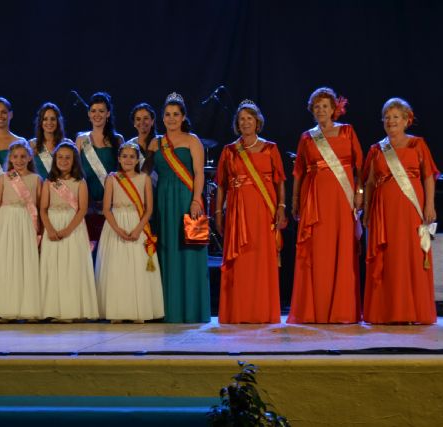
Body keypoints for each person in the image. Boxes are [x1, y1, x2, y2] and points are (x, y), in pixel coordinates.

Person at [288, 87, 363, 324]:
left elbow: (361, 167)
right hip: (315, 201)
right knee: (317, 253)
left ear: (334, 109)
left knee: (342, 251)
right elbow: (298, 173)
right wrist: (295, 200)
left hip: (342, 199)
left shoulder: (347, 131)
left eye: (325, 106)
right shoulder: (307, 137)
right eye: (317, 106)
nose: (321, 110)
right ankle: (314, 310)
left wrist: (360, 194)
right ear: (312, 110)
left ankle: (342, 311)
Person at [363, 98, 439, 324]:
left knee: (409, 256)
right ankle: (385, 312)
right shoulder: (377, 149)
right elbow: (368, 183)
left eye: (396, 117)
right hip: (383, 211)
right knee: (388, 258)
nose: (391, 121)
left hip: (410, 210)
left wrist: (429, 205)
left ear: (407, 121)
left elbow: (428, 176)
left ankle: (410, 311)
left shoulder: (418, 144)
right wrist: (366, 211)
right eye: (387, 117)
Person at [215, 100, 287, 323]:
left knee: (262, 260)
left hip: (263, 211)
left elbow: (280, 182)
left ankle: (262, 311)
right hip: (237, 212)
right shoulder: (229, 151)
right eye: (241, 119)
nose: (245, 122)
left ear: (257, 122)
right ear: (237, 123)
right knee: (242, 263)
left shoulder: (270, 148)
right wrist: (218, 213)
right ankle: (239, 312)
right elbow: (221, 185)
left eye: (249, 118)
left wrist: (282, 207)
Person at [147, 92, 210, 323]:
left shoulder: (193, 140)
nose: (171, 118)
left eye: (176, 114)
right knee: (166, 250)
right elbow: (144, 173)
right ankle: (167, 309)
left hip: (186, 199)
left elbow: (199, 173)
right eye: (167, 114)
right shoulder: (156, 143)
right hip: (163, 200)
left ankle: (192, 309)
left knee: (189, 251)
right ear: (162, 118)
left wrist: (196, 200)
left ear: (183, 117)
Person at [95, 142, 164, 323]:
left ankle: (138, 311)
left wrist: (138, 229)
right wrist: (117, 229)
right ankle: (116, 312)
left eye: (132, 156)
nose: (128, 160)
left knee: (137, 268)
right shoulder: (112, 179)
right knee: (117, 268)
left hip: (137, 225)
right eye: (124, 156)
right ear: (118, 158)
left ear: (138, 159)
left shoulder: (144, 178)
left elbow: (149, 209)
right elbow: (106, 208)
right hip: (116, 225)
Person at [39, 142, 99, 322]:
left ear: (74, 161)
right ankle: (53, 309)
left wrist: (67, 230)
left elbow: (82, 209)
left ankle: (72, 310)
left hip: (73, 228)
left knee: (72, 266)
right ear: (54, 159)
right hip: (52, 227)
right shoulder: (49, 182)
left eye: (68, 157)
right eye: (60, 157)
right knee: (53, 267)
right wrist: (49, 229)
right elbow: (43, 208)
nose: (63, 161)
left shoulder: (80, 182)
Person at [0, 141, 42, 321]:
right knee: (7, 261)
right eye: (15, 156)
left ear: (29, 158)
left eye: (23, 156)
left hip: (27, 222)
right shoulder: (3, 178)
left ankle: (29, 308)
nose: (19, 160)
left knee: (26, 262)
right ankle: (6, 308)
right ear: (10, 158)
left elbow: (39, 207)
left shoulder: (36, 179)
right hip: (8, 221)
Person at [75, 92, 125, 241]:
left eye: (101, 111)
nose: (97, 114)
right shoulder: (81, 139)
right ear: (89, 114)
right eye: (93, 111)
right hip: (86, 203)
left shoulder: (118, 140)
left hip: (111, 204)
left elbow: (123, 173)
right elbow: (75, 171)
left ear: (108, 113)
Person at [29, 102, 73, 179]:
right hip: (38, 189)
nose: (49, 122)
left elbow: (74, 171)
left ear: (58, 121)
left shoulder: (67, 144)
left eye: (53, 119)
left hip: (63, 190)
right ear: (40, 122)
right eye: (45, 119)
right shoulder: (32, 145)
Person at [127, 103, 157, 174]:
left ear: (152, 121)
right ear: (134, 123)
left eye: (146, 118)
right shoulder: (129, 145)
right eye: (138, 119)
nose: (142, 122)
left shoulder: (160, 142)